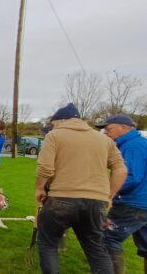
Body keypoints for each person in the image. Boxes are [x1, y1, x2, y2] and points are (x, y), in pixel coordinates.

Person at [35, 103, 127, 274]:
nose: (52, 128)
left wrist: (40, 188)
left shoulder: (55, 136)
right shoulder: (105, 140)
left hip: (61, 199)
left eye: (53, 124)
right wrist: (109, 196)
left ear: (61, 121)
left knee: (48, 244)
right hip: (96, 202)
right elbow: (121, 169)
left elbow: (45, 168)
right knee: (97, 250)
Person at [97, 115, 147, 274]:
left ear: (124, 127)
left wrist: (107, 192)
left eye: (109, 128)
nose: (106, 132)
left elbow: (131, 177)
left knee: (108, 237)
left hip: (132, 204)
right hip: (143, 203)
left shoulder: (132, 146)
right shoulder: (140, 143)